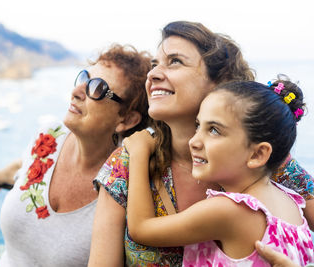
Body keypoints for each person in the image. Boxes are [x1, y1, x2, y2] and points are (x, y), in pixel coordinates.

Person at [89, 21, 314, 267]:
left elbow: (142, 229)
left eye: (175, 61)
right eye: (154, 65)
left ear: (220, 82)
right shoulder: (126, 162)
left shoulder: (269, 160)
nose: (152, 74)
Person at [0, 44, 152, 266]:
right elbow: (28, 165)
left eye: (97, 88)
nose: (77, 91)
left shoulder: (125, 185)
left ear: (126, 119)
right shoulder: (50, 136)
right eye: (83, 78)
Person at [125, 79, 314, 266]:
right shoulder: (292, 202)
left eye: (214, 130)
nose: (194, 141)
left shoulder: (228, 210)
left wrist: (138, 154)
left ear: (257, 154)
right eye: (198, 126)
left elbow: (141, 229)